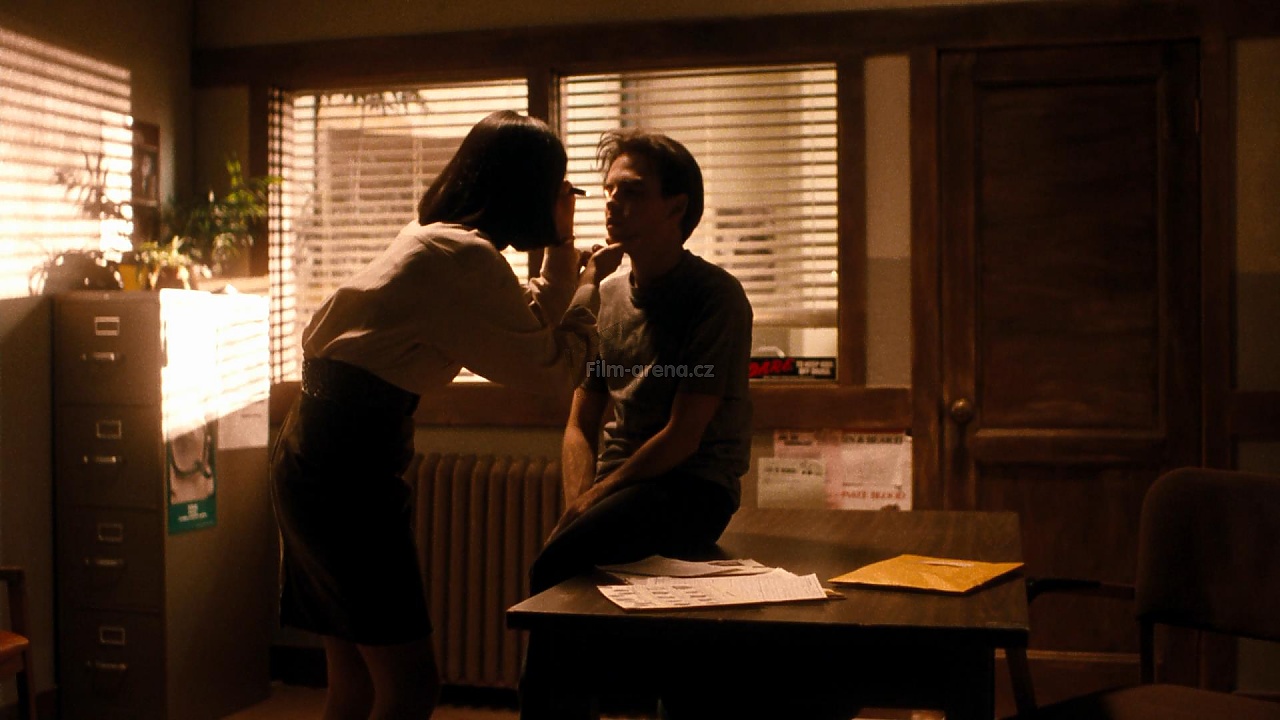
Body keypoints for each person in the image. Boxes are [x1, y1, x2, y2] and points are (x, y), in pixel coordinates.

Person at [271, 110, 624, 720]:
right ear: (525, 190)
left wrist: (563, 246)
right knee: (411, 686)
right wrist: (591, 284)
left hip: (316, 450)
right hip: (346, 468)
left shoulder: (436, 237)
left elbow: (523, 321)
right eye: (553, 187)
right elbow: (551, 370)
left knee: (353, 682)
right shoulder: (462, 258)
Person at [519, 128, 753, 719]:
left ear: (676, 207)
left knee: (554, 566)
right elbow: (581, 421)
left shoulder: (715, 297)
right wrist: (580, 501)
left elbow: (684, 434)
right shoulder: (606, 294)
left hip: (693, 484)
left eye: (632, 191)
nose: (612, 203)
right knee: (568, 566)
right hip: (619, 488)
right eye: (608, 190)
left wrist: (592, 503)